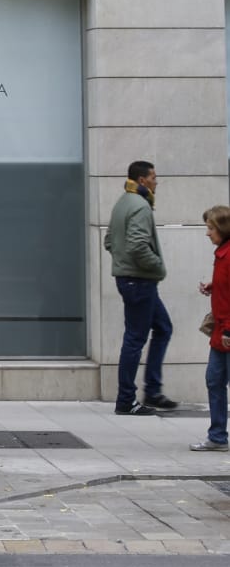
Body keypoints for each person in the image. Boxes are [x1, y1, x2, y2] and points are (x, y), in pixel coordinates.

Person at [104, 159, 177, 416]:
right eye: (154, 177)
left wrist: (123, 263)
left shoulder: (123, 202)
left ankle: (153, 391)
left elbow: (109, 241)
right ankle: (126, 400)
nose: (157, 181)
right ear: (143, 180)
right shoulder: (140, 206)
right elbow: (136, 246)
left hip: (132, 279)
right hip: (140, 280)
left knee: (163, 328)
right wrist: (157, 266)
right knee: (135, 339)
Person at [190, 205, 230, 452]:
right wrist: (213, 286)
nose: (207, 233)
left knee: (215, 380)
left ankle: (217, 436)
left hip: (226, 331)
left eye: (210, 228)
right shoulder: (222, 253)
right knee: (214, 380)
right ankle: (217, 437)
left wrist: (228, 329)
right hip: (221, 332)